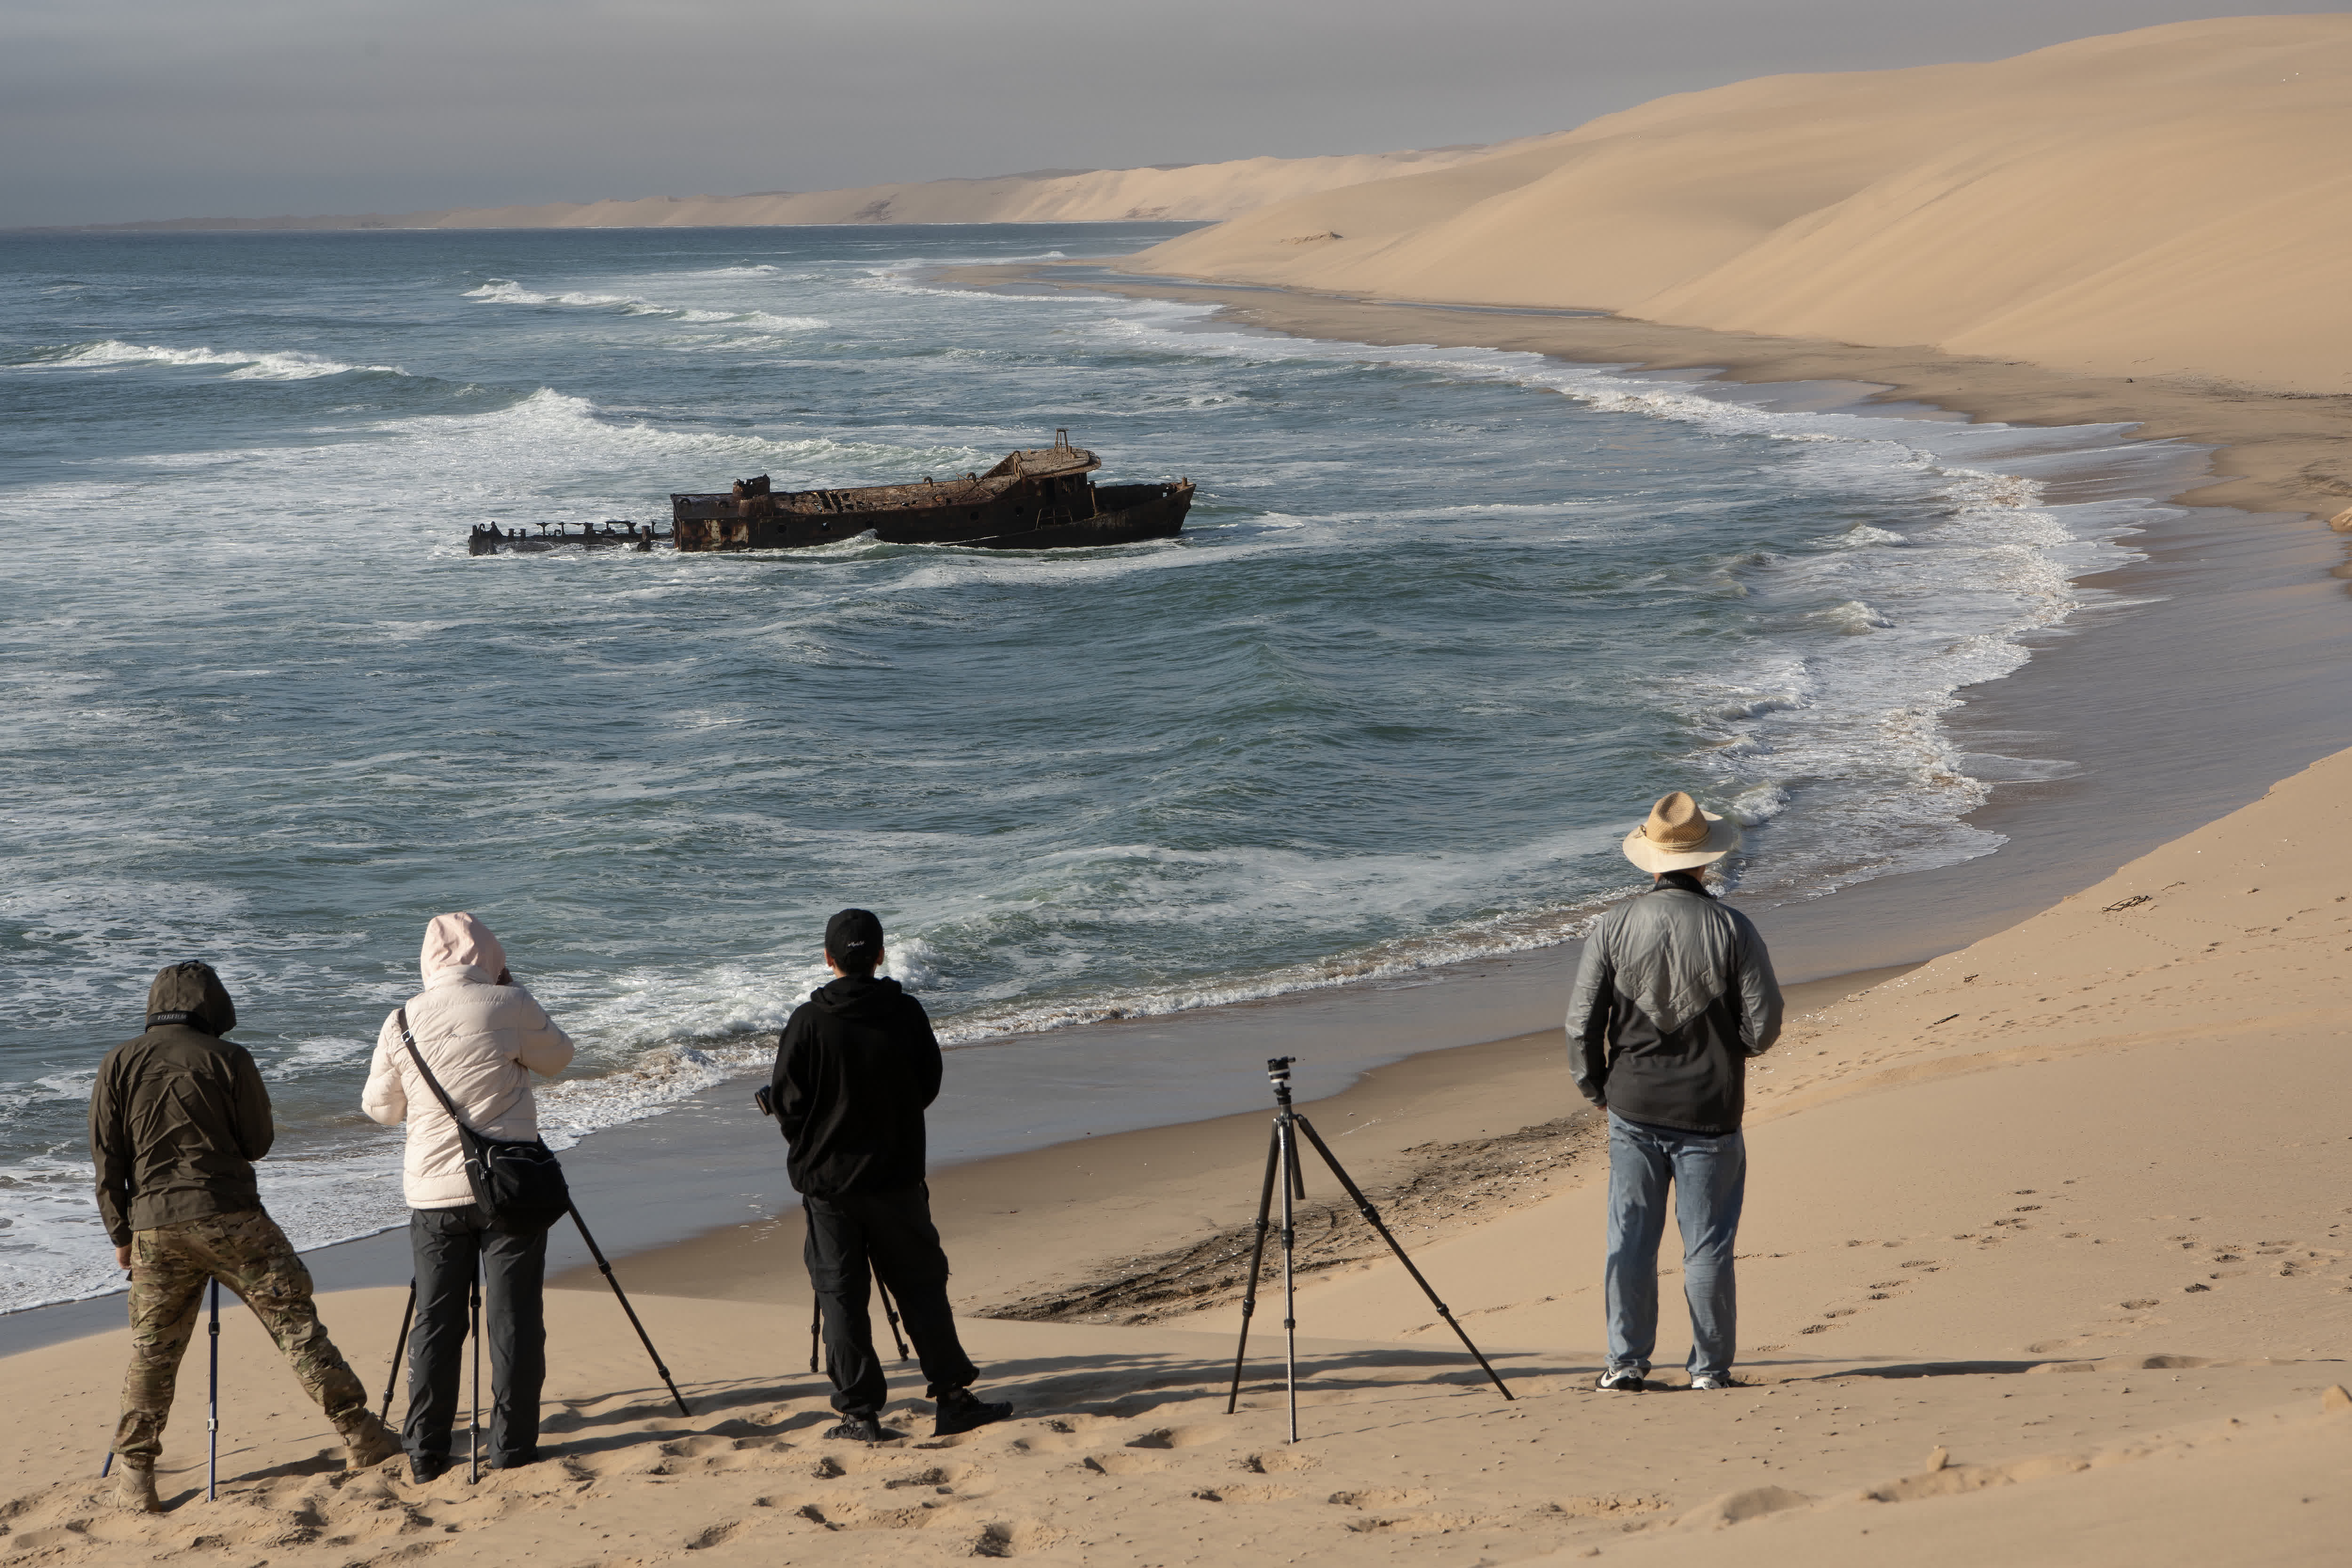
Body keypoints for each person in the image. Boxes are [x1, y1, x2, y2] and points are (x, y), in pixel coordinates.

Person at [91, 961, 400, 1513]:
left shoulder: (118, 1061)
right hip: (231, 1216)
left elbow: (107, 1158)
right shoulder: (229, 1058)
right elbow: (257, 1142)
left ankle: (136, 1477)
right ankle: (362, 1436)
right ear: (213, 1006)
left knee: (152, 1353)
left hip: (154, 1225)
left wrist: (121, 1232)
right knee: (295, 1326)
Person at [1565, 792, 1783, 1393]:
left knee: (1630, 1237)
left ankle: (1626, 1363)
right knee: (1706, 1243)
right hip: (1710, 1108)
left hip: (1632, 1104)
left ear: (1651, 862)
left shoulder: (1612, 926)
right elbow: (1763, 1025)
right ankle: (1709, 1370)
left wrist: (1595, 1086)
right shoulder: (1732, 926)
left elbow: (1580, 1022)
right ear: (1704, 862)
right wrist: (1730, 1049)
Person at [771, 909, 1010, 1442]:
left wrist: (816, 1139)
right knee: (920, 1285)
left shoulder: (808, 1022)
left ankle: (859, 1414)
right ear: (879, 956)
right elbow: (927, 1083)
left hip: (830, 1183)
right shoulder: (904, 1013)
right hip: (896, 1175)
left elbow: (788, 1102)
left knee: (841, 1294)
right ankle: (951, 1397)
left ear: (828, 959)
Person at [362, 913, 574, 1481]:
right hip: (510, 1185)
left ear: (428, 961)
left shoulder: (401, 1019)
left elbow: (379, 1109)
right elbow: (559, 1058)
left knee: (435, 1320)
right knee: (514, 1317)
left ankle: (426, 1451)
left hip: (434, 1194)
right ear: (492, 956)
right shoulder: (511, 1003)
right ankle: (512, 1447)